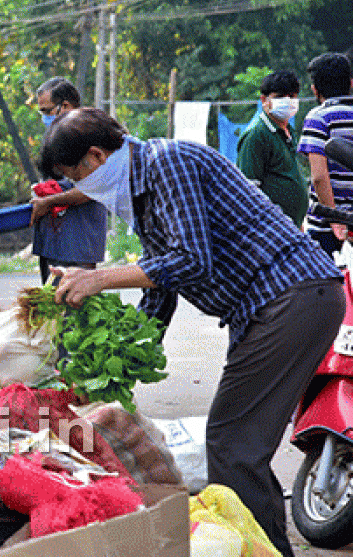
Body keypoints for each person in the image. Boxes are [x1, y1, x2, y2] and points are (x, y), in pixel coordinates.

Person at [40, 107, 342, 557]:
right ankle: (265, 545)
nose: (79, 189)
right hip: (275, 305)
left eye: (75, 176)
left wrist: (100, 278)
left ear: (97, 156)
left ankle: (267, 551)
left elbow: (191, 259)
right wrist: (120, 364)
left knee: (233, 445)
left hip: (290, 296)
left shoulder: (167, 163)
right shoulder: (141, 193)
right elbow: (163, 289)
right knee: (237, 445)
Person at [28, 78, 108, 282]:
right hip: (52, 239)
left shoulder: (91, 133)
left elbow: (93, 188)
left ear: (65, 106)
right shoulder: (54, 137)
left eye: (47, 111)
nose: (44, 118)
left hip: (78, 240)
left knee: (74, 302)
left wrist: (49, 201)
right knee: (51, 303)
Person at [236, 70, 307, 227]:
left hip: (293, 227)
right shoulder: (256, 135)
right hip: (272, 230)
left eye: (292, 96)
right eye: (280, 97)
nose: (287, 101)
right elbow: (248, 191)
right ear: (264, 100)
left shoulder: (288, 131)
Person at [299, 52, 353, 257]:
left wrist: (335, 221)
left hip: (327, 228)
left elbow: (320, 177)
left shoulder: (319, 118)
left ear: (315, 89)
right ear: (350, 82)